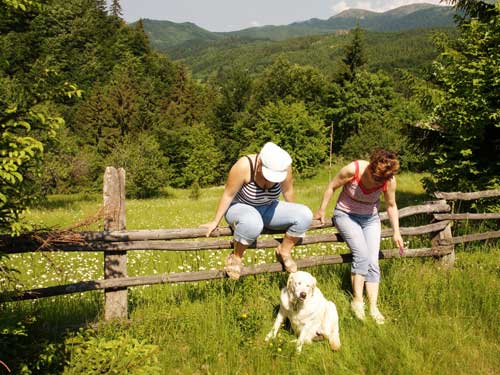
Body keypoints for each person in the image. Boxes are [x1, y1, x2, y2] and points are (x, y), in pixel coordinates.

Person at [314, 149, 404, 324]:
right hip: (346, 215)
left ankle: (373, 307)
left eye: (383, 179)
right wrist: (322, 210)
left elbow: (391, 206)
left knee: (372, 260)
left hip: (370, 218)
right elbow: (332, 186)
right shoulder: (353, 170)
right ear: (371, 167)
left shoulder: (389, 181)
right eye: (377, 177)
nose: (379, 182)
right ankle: (357, 301)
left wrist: (396, 231)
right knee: (361, 254)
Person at [202, 142, 313, 280]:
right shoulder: (244, 166)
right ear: (260, 162)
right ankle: (236, 257)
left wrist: (292, 215)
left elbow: (288, 190)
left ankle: (284, 251)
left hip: (268, 207)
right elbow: (228, 195)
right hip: (239, 207)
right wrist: (215, 221)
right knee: (253, 222)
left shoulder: (285, 167)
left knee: (305, 214)